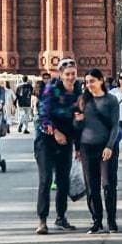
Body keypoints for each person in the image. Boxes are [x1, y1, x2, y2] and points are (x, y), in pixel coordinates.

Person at [35, 58, 81, 233]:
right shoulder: (51, 89)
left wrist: (78, 147)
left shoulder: (78, 91)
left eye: (73, 74)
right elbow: (42, 116)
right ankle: (42, 220)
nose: (70, 77)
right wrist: (55, 131)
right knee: (45, 179)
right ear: (60, 75)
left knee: (63, 181)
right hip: (46, 139)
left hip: (66, 139)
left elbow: (77, 120)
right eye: (67, 74)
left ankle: (61, 217)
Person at [75, 68, 121, 233]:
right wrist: (78, 122)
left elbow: (115, 125)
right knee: (91, 187)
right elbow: (77, 128)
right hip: (87, 147)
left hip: (107, 147)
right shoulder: (82, 100)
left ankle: (111, 220)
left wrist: (109, 146)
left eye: (92, 81)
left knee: (108, 185)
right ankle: (96, 220)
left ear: (101, 80)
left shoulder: (111, 100)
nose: (89, 85)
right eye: (87, 82)